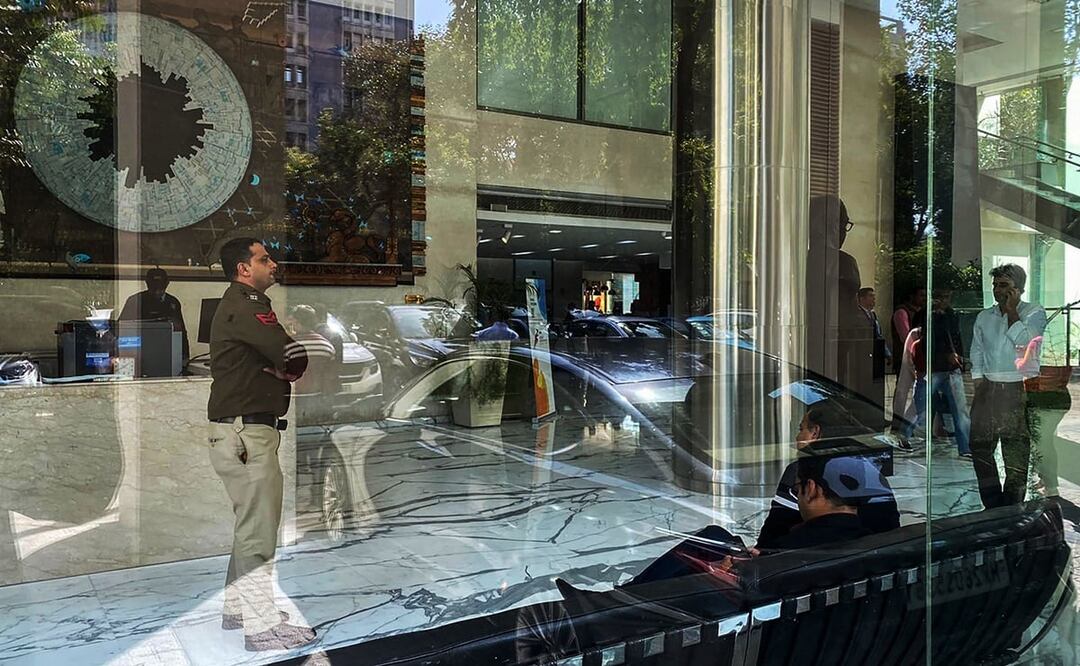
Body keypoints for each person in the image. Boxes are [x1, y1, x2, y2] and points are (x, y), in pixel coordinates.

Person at [207, 237, 316, 651]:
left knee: (250, 528)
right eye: (264, 259)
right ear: (243, 269)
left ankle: (238, 610)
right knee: (258, 533)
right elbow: (291, 354)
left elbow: (281, 356)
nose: (273, 265)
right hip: (246, 435)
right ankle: (261, 627)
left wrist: (282, 365)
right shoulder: (247, 304)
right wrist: (287, 365)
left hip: (240, 433)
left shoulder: (238, 304)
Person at [625, 453, 874, 587]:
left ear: (811, 489)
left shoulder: (783, 556)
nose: (797, 498)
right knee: (718, 538)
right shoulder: (875, 541)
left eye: (796, 490)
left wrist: (734, 568)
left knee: (710, 543)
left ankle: (626, 597)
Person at [756, 401, 898, 549]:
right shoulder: (869, 472)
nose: (797, 437)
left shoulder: (800, 472)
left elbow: (771, 536)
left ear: (815, 432)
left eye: (801, 429)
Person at [969, 263, 1047, 509]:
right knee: (980, 447)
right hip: (989, 387)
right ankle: (992, 504)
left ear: (1019, 289)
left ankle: (1012, 507)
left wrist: (1012, 311)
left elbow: (1025, 343)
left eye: (1004, 285)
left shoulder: (1034, 312)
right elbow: (977, 349)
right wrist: (978, 380)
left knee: (1015, 453)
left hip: (1017, 388)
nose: (997, 290)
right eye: (995, 285)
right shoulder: (985, 316)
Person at [926, 289, 971, 457]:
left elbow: (956, 338)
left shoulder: (951, 315)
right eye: (941, 297)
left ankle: (965, 446)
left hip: (950, 368)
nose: (944, 301)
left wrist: (959, 357)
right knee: (923, 405)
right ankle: (906, 433)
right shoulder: (929, 315)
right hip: (935, 367)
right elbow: (928, 341)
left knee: (960, 409)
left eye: (947, 297)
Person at [118, 267, 190, 366]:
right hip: (139, 353)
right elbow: (121, 329)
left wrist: (185, 357)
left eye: (160, 288)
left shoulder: (173, 303)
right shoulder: (135, 301)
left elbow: (181, 332)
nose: (157, 292)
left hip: (167, 353)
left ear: (167, 284)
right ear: (147, 283)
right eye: (153, 288)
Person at [892, 287, 926, 373]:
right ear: (912, 296)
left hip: (917, 358)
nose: (924, 298)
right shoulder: (902, 312)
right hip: (905, 359)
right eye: (921, 295)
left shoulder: (920, 312)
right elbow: (906, 338)